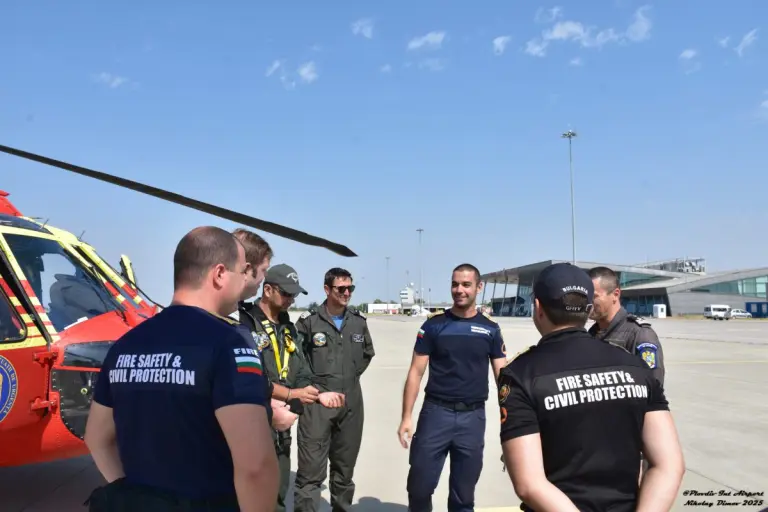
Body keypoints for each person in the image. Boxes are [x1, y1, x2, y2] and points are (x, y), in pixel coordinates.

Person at [83, 226, 279, 512]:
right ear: (219, 274)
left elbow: (97, 439)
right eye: (241, 272)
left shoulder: (124, 345)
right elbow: (256, 467)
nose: (245, 281)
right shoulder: (230, 344)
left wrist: (137, 498)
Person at [498, 263, 685, 511]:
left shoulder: (521, 374)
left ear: (538, 307)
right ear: (588, 309)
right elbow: (669, 464)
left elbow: (529, 485)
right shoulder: (635, 367)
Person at [398, 263, 507, 512]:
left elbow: (503, 377)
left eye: (466, 284)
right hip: (436, 414)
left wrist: (510, 422)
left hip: (473, 418)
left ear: (479, 287)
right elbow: (416, 372)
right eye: (455, 284)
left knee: (463, 496)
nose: (459, 290)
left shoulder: (490, 329)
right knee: (419, 488)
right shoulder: (433, 326)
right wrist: (406, 417)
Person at [238, 263, 345, 512]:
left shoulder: (288, 328)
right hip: (251, 425)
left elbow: (302, 373)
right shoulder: (245, 324)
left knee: (277, 494)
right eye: (286, 293)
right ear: (267, 290)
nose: (291, 299)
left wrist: (317, 395)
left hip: (281, 431)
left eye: (294, 294)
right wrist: (286, 396)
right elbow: (248, 378)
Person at [293, 267, 375, 512]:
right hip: (317, 403)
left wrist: (347, 377)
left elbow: (367, 354)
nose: (347, 293)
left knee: (344, 471)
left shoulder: (358, 322)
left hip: (350, 404)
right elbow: (296, 358)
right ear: (327, 289)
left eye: (350, 288)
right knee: (310, 474)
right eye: (341, 289)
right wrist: (315, 387)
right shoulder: (309, 322)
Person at [230, 228, 302, 433]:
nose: (263, 278)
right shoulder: (242, 321)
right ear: (246, 269)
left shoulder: (288, 328)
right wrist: (269, 410)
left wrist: (292, 398)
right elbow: (237, 380)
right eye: (263, 271)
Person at [587, 266, 666, 386]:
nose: (588, 302)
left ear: (615, 294)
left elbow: (653, 385)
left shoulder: (639, 334)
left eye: (594, 296)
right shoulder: (592, 334)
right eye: (586, 297)